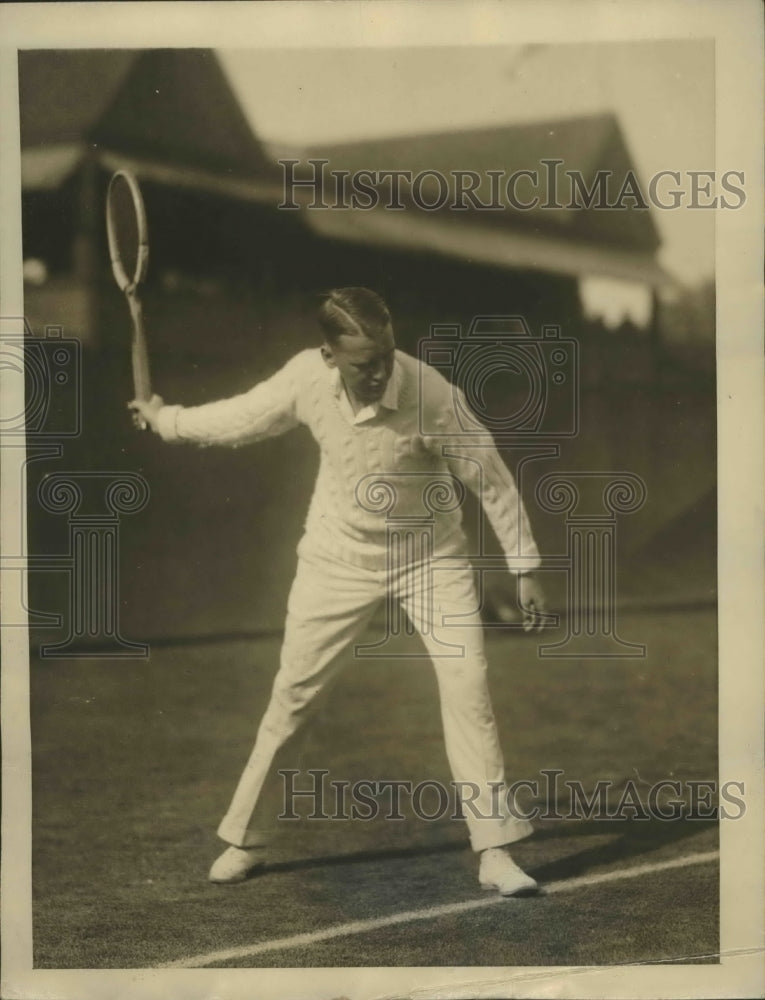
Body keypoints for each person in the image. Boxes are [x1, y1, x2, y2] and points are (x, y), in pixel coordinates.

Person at [129, 287, 547, 896]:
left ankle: (496, 851)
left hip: (431, 557)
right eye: (361, 364)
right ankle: (246, 838)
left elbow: (490, 476)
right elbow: (240, 418)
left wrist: (525, 565)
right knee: (294, 695)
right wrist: (164, 420)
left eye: (385, 356)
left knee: (469, 686)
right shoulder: (305, 378)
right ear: (329, 356)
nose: (378, 372)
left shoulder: (432, 395)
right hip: (336, 557)